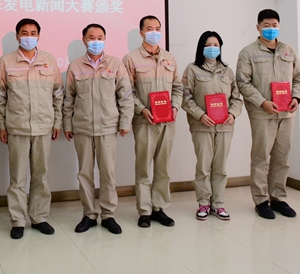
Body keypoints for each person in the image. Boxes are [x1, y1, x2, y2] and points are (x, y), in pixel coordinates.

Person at [0, 18, 63, 239]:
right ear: (17, 36)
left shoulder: (49, 60)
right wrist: (1, 125)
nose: (29, 37)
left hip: (43, 126)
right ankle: (17, 220)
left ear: (39, 36)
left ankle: (39, 217)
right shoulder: (6, 62)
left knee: (40, 176)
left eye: (33, 33)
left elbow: (58, 95)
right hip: (17, 127)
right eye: (24, 33)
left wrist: (57, 122)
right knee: (17, 178)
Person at [63, 24, 134, 235]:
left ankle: (108, 215)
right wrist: (67, 124)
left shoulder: (115, 64)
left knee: (108, 174)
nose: (96, 41)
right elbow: (69, 98)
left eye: (100, 37)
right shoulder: (76, 66)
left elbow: (125, 95)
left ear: (105, 39)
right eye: (91, 37)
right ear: (84, 40)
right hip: (83, 127)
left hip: (108, 127)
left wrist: (125, 122)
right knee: (84, 174)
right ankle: (89, 215)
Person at [236, 9, 300, 219]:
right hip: (262, 113)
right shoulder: (248, 52)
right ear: (258, 27)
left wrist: (297, 97)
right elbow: (243, 82)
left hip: (286, 114)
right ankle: (261, 200)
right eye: (266, 25)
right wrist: (262, 102)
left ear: (279, 26)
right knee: (261, 158)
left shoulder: (288, 51)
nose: (270, 29)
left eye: (274, 25)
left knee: (282, 158)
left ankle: (278, 198)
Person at [123, 15, 182, 228]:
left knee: (163, 167)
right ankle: (144, 211)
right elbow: (127, 91)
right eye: (149, 28)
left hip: (168, 121)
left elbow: (178, 87)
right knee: (143, 169)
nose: (154, 32)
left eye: (157, 28)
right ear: (141, 33)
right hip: (144, 121)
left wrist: (175, 106)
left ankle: (159, 208)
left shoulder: (169, 58)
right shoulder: (131, 59)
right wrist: (142, 109)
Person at [181, 31, 242, 221]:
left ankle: (219, 204)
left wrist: (233, 113)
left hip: (225, 126)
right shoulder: (192, 69)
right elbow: (185, 97)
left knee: (220, 167)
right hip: (202, 126)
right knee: (203, 166)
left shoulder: (227, 71)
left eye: (216, 45)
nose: (212, 48)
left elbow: (236, 98)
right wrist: (200, 115)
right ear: (201, 47)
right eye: (208, 45)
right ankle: (203, 203)